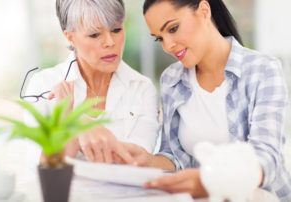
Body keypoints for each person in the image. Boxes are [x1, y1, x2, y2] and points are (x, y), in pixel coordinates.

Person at [120, 0, 291, 201]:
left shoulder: (263, 69)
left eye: (173, 29)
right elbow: (176, 157)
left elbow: (267, 157)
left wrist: (211, 180)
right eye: (159, 38)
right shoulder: (171, 79)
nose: (168, 46)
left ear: (204, 10)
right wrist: (147, 160)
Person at [23, 0, 159, 165]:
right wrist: (67, 121)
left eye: (116, 30)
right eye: (94, 34)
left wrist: (82, 125)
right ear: (71, 37)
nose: (110, 42)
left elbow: (139, 160)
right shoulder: (42, 86)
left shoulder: (142, 88)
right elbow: (42, 167)